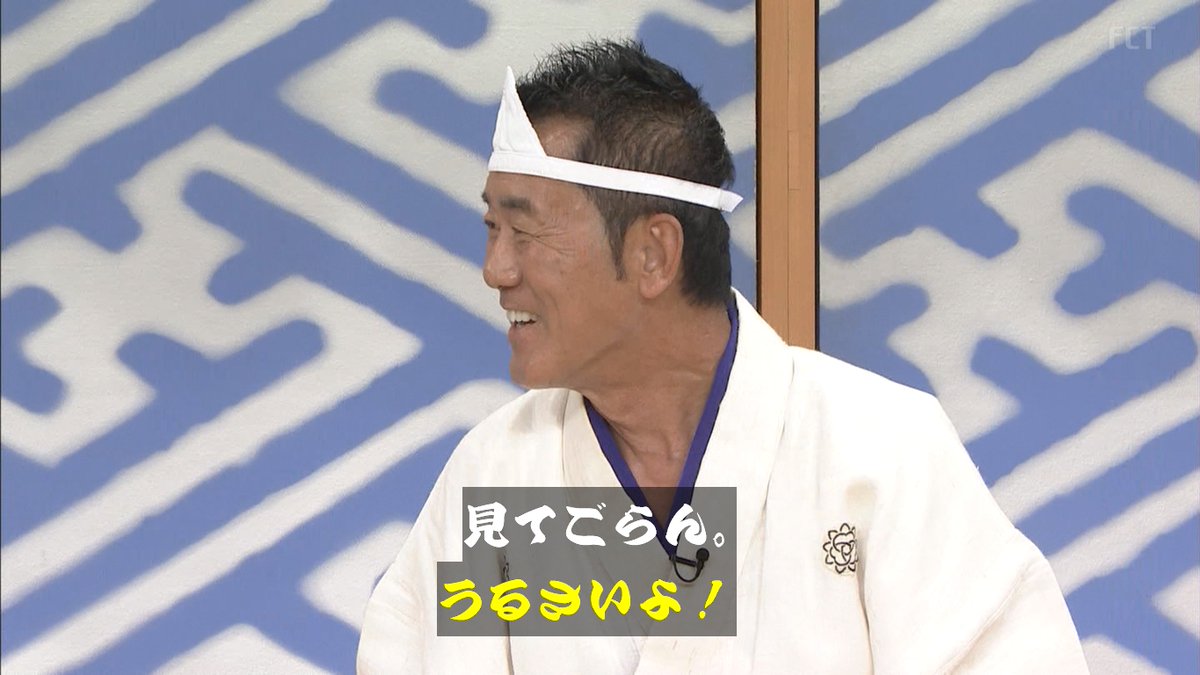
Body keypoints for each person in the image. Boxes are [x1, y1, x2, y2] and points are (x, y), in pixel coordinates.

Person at [358, 39, 1088, 674]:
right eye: (492, 228)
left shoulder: (880, 451)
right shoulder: (497, 474)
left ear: (653, 252)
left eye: (525, 232)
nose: (495, 270)